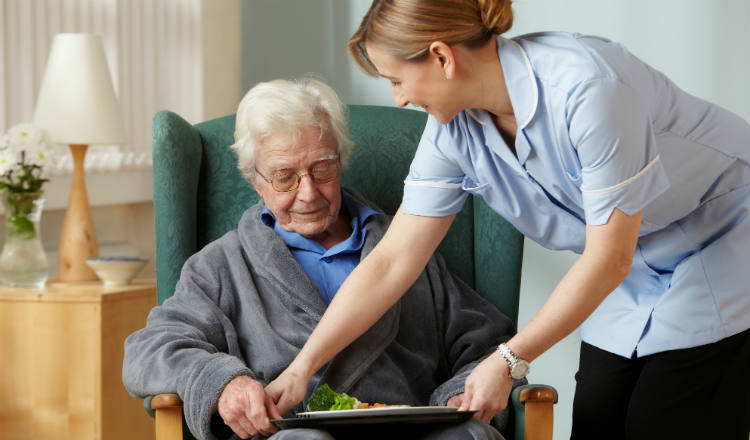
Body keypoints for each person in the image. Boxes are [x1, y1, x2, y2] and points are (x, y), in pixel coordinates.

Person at [265, 1, 750, 439]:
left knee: (664, 421)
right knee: (599, 419)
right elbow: (393, 260)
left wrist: (509, 360)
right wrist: (303, 367)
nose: (399, 100)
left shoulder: (587, 89)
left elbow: (609, 256)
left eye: (396, 79)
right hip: (630, 259)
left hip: (720, 234)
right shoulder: (453, 128)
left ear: (441, 57)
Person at [122, 77, 521, 440]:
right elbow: (150, 348)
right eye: (284, 177)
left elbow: (486, 342)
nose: (309, 193)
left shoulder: (404, 247)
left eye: (323, 169)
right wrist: (222, 381)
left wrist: (461, 393)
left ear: (341, 161)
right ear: (255, 180)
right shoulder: (223, 266)